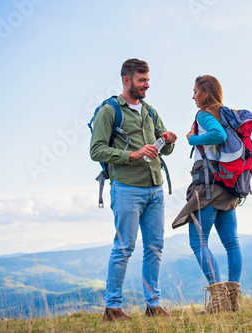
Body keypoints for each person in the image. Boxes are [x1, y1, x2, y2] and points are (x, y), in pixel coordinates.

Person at [90, 58, 177, 321]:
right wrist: (134, 154)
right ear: (127, 80)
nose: (147, 85)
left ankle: (153, 305)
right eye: (142, 80)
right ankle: (112, 308)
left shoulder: (150, 111)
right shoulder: (109, 111)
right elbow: (96, 150)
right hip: (126, 189)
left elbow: (165, 149)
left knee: (155, 247)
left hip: (155, 188)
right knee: (124, 248)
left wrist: (168, 141)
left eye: (148, 80)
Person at [172, 75, 243, 313]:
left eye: (195, 91)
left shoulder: (204, 114)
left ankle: (218, 300)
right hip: (228, 187)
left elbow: (219, 136)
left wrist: (193, 139)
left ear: (205, 92)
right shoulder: (228, 114)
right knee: (232, 243)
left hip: (209, 186)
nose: (193, 96)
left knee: (198, 242)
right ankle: (232, 301)